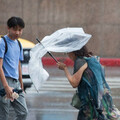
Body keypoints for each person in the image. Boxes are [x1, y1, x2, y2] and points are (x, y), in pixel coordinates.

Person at [57, 46, 120, 120]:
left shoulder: (80, 61)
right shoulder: (93, 58)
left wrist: (65, 69)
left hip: (90, 101)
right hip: (103, 96)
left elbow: (74, 83)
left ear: (73, 52)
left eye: (67, 52)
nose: (68, 55)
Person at [0, 17, 28, 120]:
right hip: (4, 81)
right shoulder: (2, 42)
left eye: (20, 30)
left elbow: (18, 65)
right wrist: (5, 86)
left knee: (23, 112)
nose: (17, 32)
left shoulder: (19, 44)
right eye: (15, 29)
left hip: (16, 83)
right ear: (8, 28)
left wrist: (21, 83)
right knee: (4, 115)